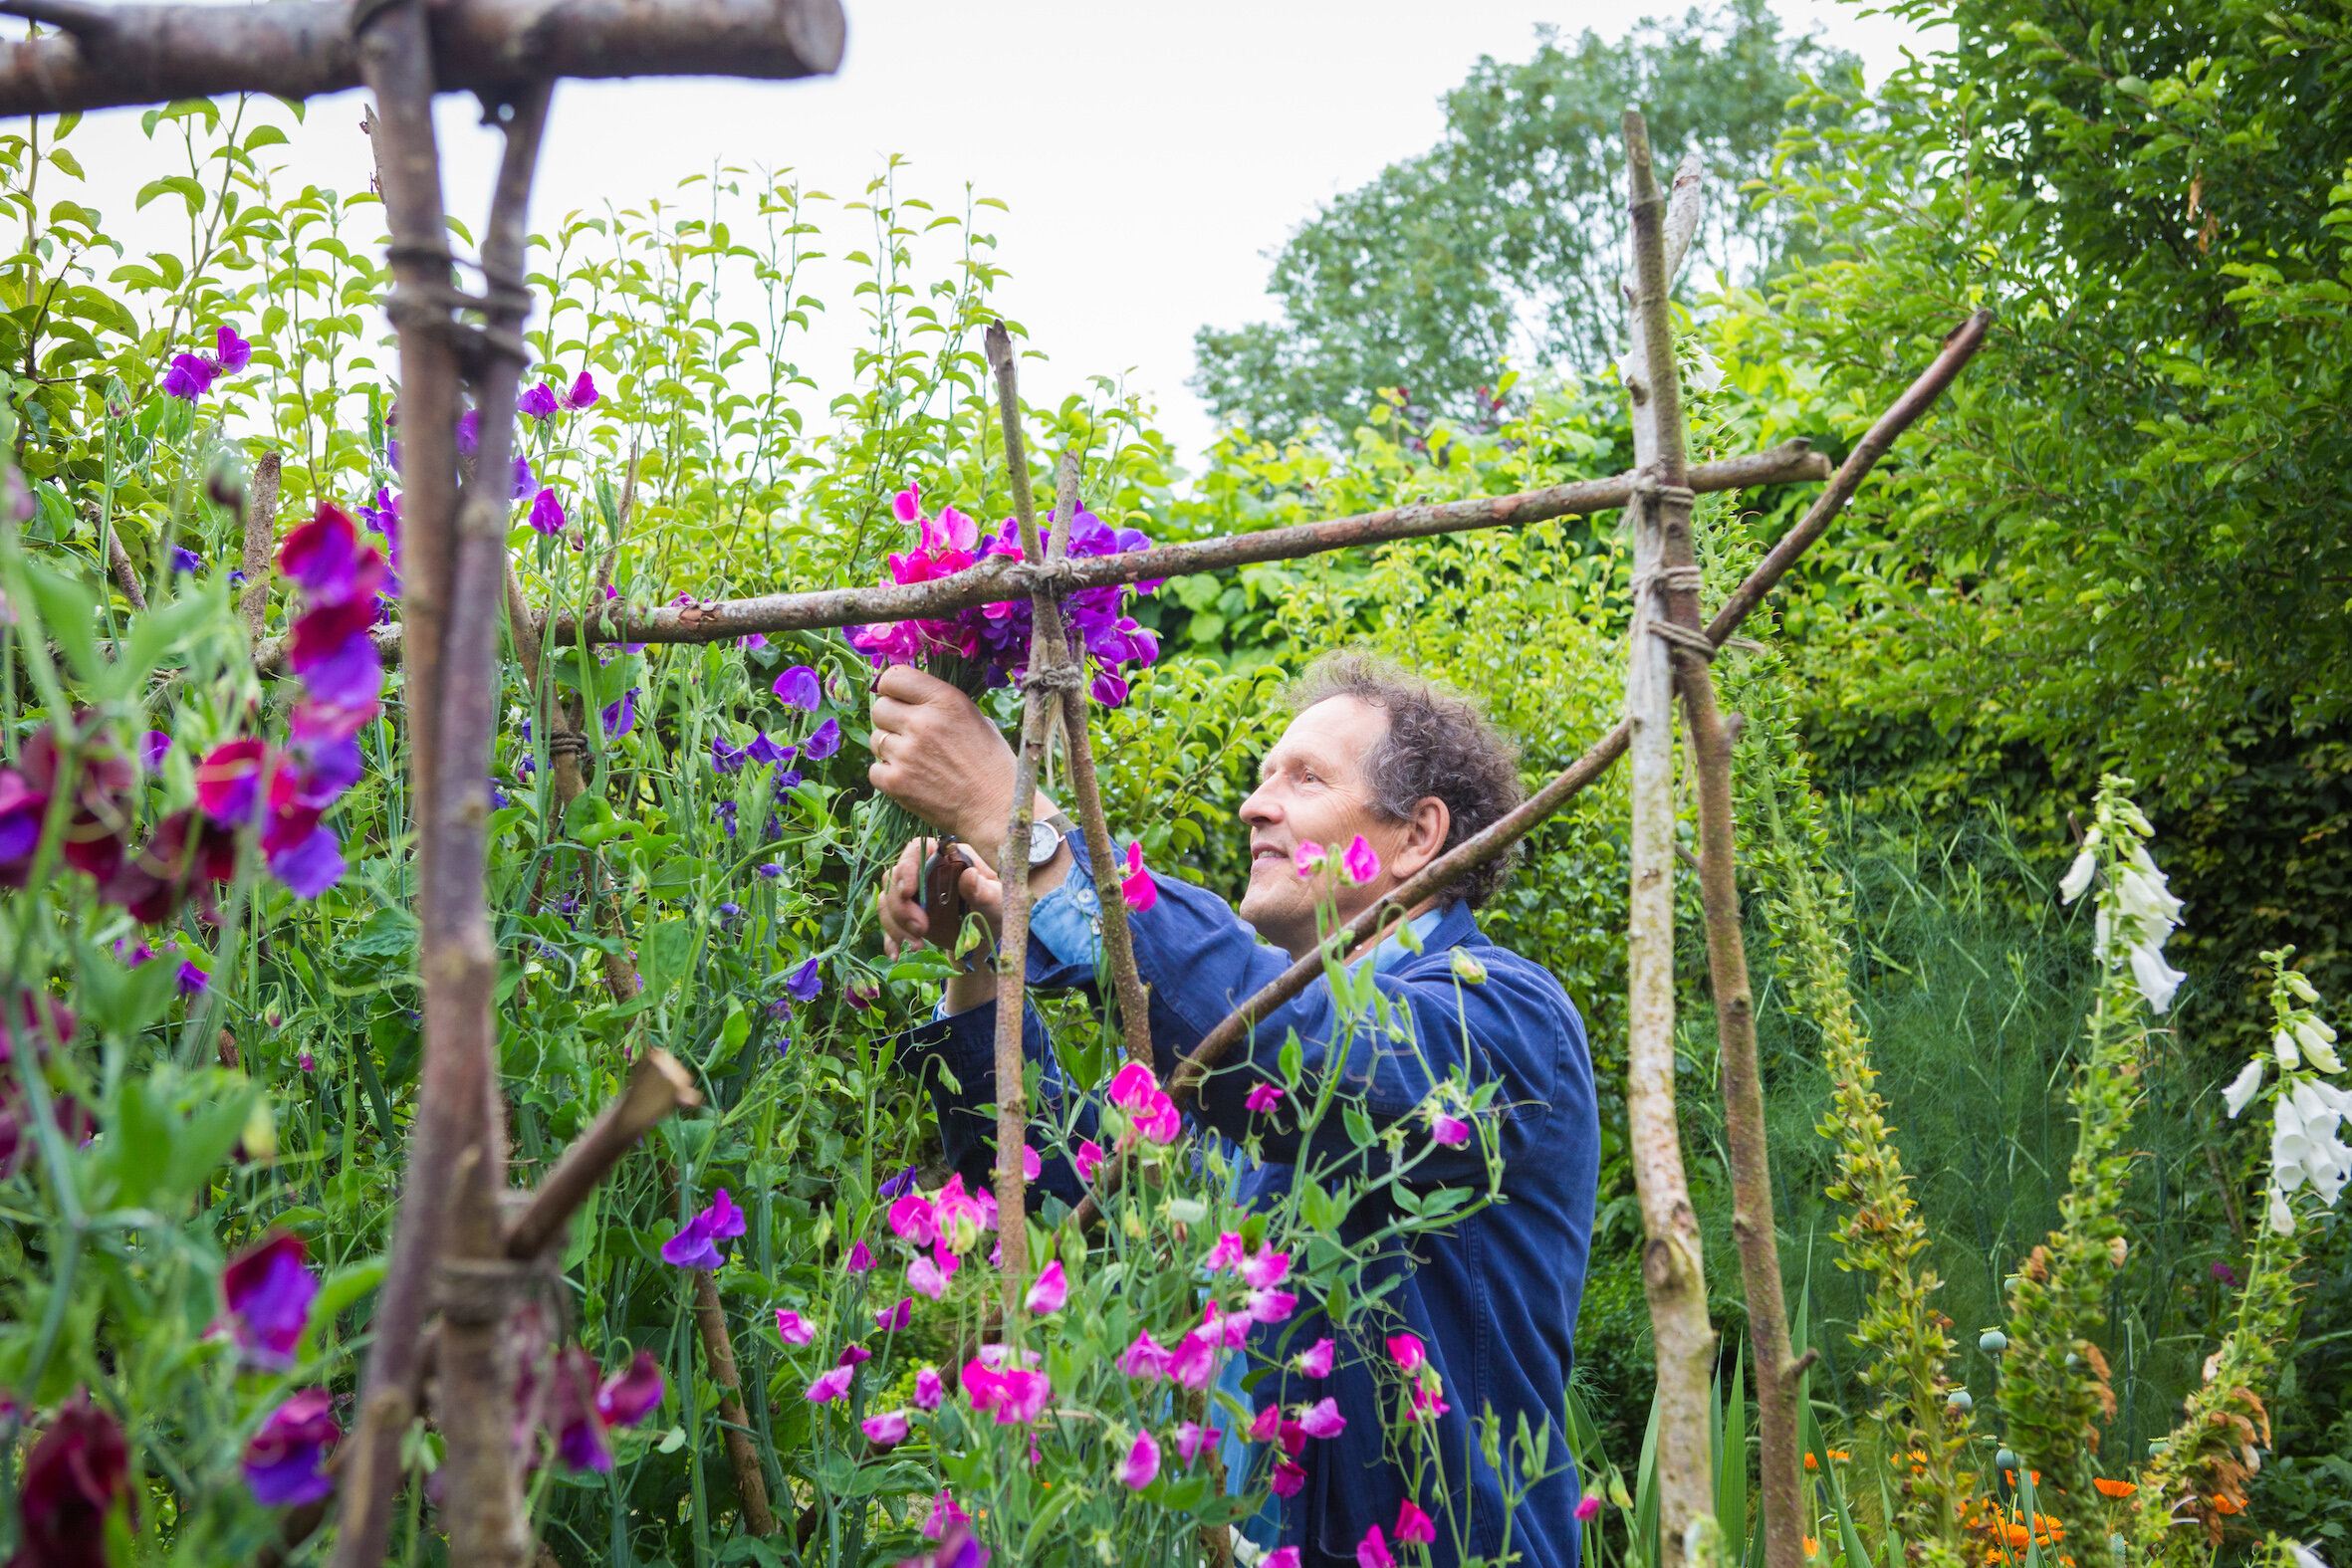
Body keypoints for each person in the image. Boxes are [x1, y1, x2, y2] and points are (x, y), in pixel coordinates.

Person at [871, 651, 1599, 1568]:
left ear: (1418, 835)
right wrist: (981, 955)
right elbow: (1056, 1193)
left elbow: (1296, 1046)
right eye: (1260, 778)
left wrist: (1023, 819)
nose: (1256, 803)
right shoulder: (1232, 1089)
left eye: (1304, 777)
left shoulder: (1502, 1017)